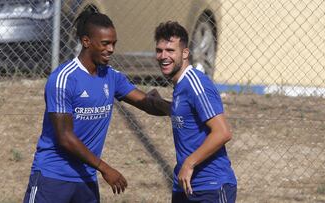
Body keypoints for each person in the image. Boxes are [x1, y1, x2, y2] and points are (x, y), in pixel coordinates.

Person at [23, 10, 170, 203]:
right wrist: (104, 168)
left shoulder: (111, 76)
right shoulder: (64, 79)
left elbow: (146, 103)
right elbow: (65, 137)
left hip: (85, 178)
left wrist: (179, 108)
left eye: (113, 44)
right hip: (53, 176)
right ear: (86, 41)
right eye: (105, 43)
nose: (111, 49)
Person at [154, 21, 237, 203]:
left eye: (170, 50)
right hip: (185, 185)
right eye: (159, 50)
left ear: (185, 53)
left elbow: (222, 132)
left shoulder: (195, 84)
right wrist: (160, 104)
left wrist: (189, 164)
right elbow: (188, 114)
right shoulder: (180, 85)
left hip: (211, 187)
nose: (163, 56)